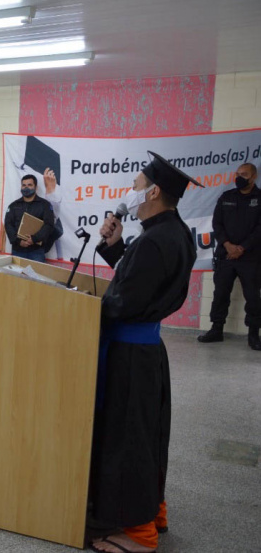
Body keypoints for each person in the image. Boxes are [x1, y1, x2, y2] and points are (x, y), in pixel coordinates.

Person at [89, 151, 201, 553]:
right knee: (144, 435)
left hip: (132, 359)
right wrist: (117, 247)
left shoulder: (156, 239)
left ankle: (136, 532)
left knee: (128, 439)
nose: (131, 192)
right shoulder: (171, 232)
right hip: (145, 350)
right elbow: (142, 284)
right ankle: (151, 511)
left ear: (153, 192)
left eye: (136, 185)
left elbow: (125, 302)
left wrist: (79, 307)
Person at [197, 162, 261, 350]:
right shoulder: (226, 197)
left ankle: (253, 335)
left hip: (251, 257)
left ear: (254, 177)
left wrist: (242, 248)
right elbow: (217, 224)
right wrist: (228, 245)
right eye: (238, 173)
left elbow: (260, 229)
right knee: (220, 294)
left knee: (253, 296)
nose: (240, 177)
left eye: (244, 174)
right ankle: (216, 330)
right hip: (226, 255)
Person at [3, 174, 56, 263]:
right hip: (18, 250)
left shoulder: (45, 205)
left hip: (36, 251)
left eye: (29, 185)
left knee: (37, 276)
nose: (26, 187)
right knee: (17, 277)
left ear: (36, 187)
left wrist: (34, 239)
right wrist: (19, 241)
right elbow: (8, 224)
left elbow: (49, 225)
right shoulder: (13, 206)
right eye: (24, 185)